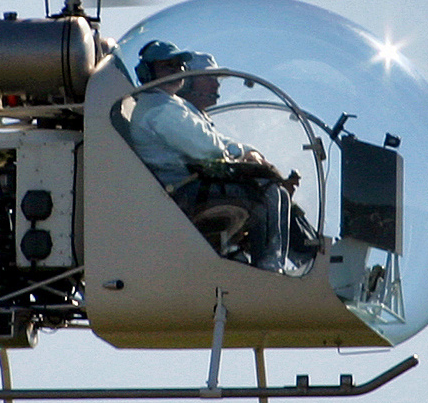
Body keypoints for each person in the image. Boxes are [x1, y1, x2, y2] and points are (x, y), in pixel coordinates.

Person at [124, 40, 305, 272]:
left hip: (190, 187)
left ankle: (283, 262)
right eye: (167, 66)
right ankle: (270, 269)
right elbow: (208, 148)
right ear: (147, 73)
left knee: (275, 191)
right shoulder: (160, 110)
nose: (176, 70)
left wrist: (248, 151)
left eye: (178, 66)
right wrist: (243, 156)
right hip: (183, 192)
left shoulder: (171, 104)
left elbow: (213, 140)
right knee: (267, 191)